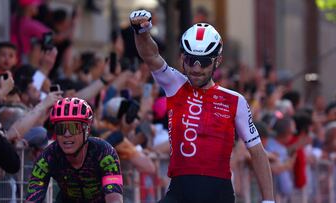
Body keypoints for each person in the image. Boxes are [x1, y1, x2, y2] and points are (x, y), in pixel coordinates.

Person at [129, 10, 275, 203]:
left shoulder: (235, 100)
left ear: (218, 61)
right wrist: (141, 31)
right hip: (179, 190)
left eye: (204, 62)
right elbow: (151, 56)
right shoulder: (175, 84)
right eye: (190, 60)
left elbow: (257, 152)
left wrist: (269, 200)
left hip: (218, 194)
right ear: (182, 58)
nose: (196, 68)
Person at [26, 97, 123, 203]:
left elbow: (114, 198)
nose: (67, 134)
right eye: (61, 128)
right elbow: (32, 198)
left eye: (73, 128)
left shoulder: (104, 152)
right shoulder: (47, 157)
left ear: (86, 129)